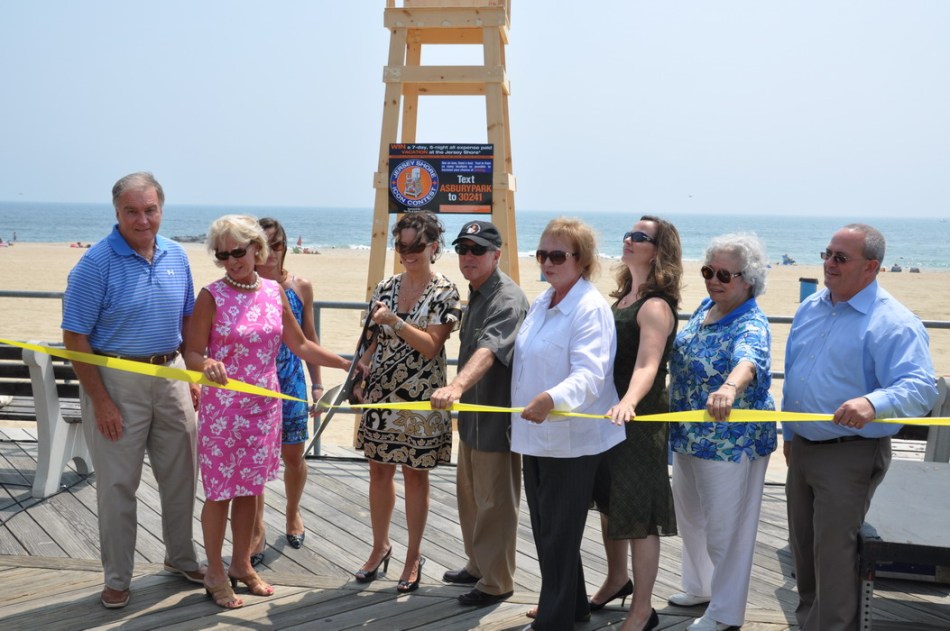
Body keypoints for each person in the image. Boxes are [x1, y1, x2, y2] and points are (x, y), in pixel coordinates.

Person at [184, 215, 349, 609]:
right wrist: (206, 363)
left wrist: (346, 364)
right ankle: (215, 572)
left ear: (256, 249)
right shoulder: (210, 296)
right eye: (222, 255)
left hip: (263, 410)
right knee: (220, 493)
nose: (231, 261)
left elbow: (301, 345)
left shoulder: (274, 292)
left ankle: (241, 565)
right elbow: (190, 353)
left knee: (250, 490)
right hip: (223, 413)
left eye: (237, 252)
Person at [782, 223, 938, 631]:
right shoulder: (811, 307)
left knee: (834, 558)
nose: (829, 264)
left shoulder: (894, 322)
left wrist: (873, 403)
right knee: (804, 553)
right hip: (804, 448)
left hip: (849, 452)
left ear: (871, 267)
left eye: (840, 257)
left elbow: (921, 388)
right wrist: (790, 435)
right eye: (827, 254)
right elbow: (795, 373)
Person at [62, 172, 205, 609]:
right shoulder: (95, 263)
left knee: (182, 476)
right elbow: (74, 337)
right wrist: (101, 400)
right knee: (118, 486)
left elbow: (187, 318)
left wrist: (190, 376)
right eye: (132, 211)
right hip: (116, 382)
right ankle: (118, 578)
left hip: (172, 374)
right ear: (117, 212)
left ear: (161, 209)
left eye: (150, 210)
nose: (142, 220)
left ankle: (180, 558)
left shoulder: (177, 254)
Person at [512, 217, 625, 630]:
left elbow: (591, 375)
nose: (547, 262)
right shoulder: (543, 301)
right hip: (534, 435)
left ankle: (554, 620)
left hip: (571, 440)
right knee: (547, 529)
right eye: (542, 254)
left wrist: (551, 399)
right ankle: (573, 605)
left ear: (583, 260)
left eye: (558, 255)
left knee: (559, 533)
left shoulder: (589, 308)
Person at [668, 233, 776, 631]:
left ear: (748, 280)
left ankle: (725, 612)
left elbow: (749, 360)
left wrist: (729, 387)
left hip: (731, 443)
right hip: (689, 436)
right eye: (708, 271)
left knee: (726, 529)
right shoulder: (706, 308)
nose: (714, 280)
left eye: (724, 275)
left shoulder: (751, 323)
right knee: (691, 518)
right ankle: (699, 586)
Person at [352, 211, 461, 594]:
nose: (408, 252)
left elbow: (431, 347)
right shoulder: (385, 287)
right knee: (378, 473)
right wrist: (360, 374)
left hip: (421, 399)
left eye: (416, 245)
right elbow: (369, 343)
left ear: (434, 247)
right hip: (380, 396)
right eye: (401, 245)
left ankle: (413, 556)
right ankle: (380, 547)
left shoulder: (445, 291)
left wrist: (395, 322)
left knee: (416, 475)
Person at [589, 216, 682, 631]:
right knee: (611, 503)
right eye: (628, 233)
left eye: (640, 237)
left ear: (658, 251)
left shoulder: (655, 305)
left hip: (639, 421)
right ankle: (616, 579)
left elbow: (649, 364)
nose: (629, 239)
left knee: (640, 515)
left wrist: (628, 401)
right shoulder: (624, 298)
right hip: (611, 418)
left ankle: (643, 610)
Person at [430, 220, 528, 607]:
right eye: (462, 249)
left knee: (495, 504)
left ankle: (496, 582)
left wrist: (455, 387)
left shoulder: (507, 298)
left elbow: (489, 350)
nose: (468, 257)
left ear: (496, 255)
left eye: (477, 250)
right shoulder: (476, 292)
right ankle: (478, 565)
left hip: (495, 419)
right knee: (470, 498)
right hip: (471, 419)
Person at [249, 217, 324, 564]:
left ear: (285, 247)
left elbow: (309, 338)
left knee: (293, 456)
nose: (271, 253)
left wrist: (318, 384)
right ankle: (256, 528)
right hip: (254, 384)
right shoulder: (245, 286)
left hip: (291, 380)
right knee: (256, 461)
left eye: (276, 245)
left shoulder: (299, 286)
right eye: (263, 246)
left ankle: (293, 512)